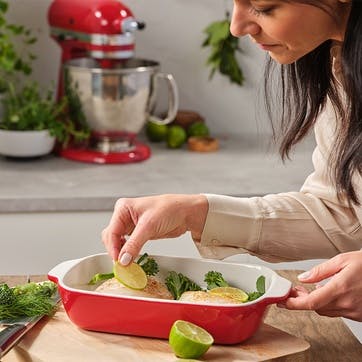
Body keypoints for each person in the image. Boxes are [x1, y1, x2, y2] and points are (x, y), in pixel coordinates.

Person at [102, 0, 362, 322]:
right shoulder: (341, 62)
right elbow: (344, 211)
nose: (237, 28)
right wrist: (195, 213)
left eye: (264, 8)